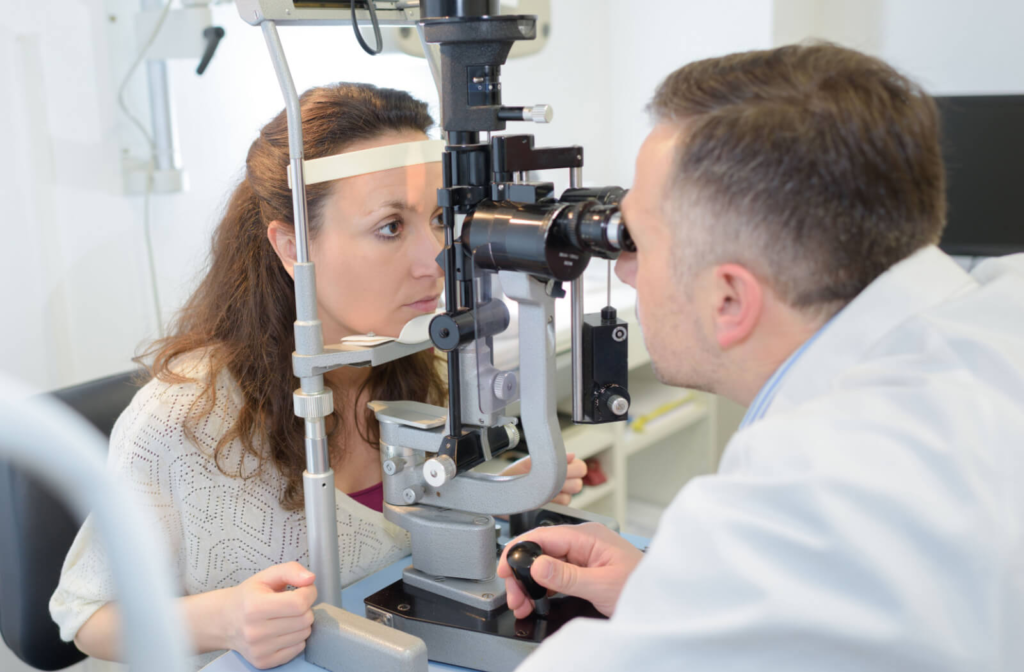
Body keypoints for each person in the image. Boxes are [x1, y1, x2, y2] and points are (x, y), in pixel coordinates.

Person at [498, 43, 1024, 671]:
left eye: (635, 239)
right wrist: (677, 593)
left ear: (728, 299)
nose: (627, 270)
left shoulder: (812, 493)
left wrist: (703, 598)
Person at [50, 82, 585, 670]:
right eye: (390, 227)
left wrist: (501, 491)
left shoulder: (411, 360)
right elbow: (87, 616)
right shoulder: (178, 421)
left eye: (437, 219)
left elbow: (413, 541)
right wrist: (224, 619)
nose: (433, 259)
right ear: (291, 245)